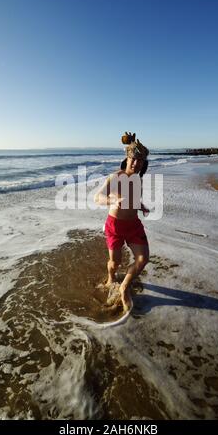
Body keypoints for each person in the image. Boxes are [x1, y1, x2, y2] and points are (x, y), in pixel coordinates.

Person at [94, 132, 150, 312]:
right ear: (127, 158)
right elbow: (98, 197)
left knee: (142, 259)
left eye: (139, 161)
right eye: (133, 159)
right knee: (115, 262)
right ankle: (111, 276)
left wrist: (140, 206)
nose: (135, 163)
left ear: (143, 164)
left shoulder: (137, 180)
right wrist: (113, 201)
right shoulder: (115, 177)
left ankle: (124, 287)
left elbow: (133, 199)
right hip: (115, 226)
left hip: (133, 225)